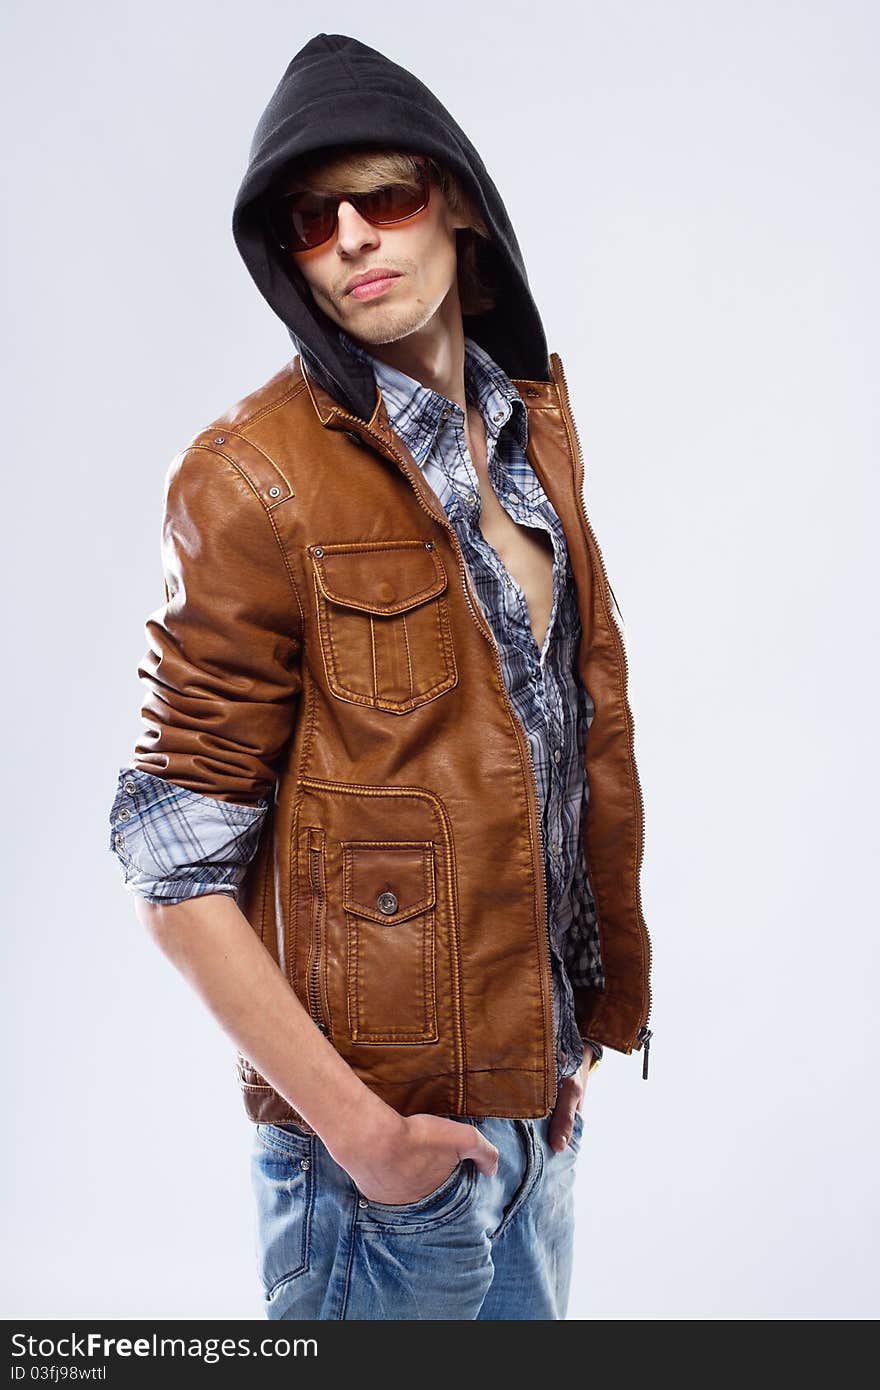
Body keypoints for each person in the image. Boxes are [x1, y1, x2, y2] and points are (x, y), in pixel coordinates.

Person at [107, 32, 653, 1320]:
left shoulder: (528, 443)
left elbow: (549, 765)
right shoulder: (253, 478)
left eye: (387, 198)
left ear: (453, 203)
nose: (353, 237)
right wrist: (362, 1136)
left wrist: (555, 1042)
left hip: (532, 1129)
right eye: (313, 220)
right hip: (378, 1179)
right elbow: (171, 864)